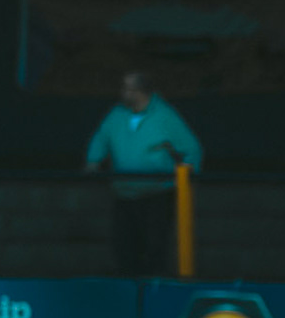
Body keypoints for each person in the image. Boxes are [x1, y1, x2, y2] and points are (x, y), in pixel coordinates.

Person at [84, 71, 202, 276]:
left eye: (127, 88)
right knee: (124, 247)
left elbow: (191, 148)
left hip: (156, 194)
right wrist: (93, 161)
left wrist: (189, 176)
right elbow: (102, 137)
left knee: (154, 246)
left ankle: (153, 287)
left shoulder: (164, 116)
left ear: (140, 92)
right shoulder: (117, 114)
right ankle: (128, 288)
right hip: (124, 193)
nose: (122, 93)